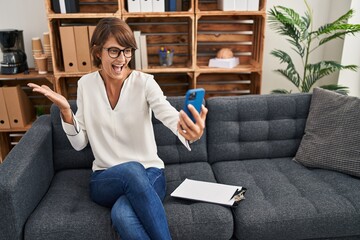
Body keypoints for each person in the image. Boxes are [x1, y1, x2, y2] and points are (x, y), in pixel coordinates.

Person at [28, 17, 207, 240]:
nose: (122, 59)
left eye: (127, 51)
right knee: (130, 169)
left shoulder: (145, 83)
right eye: (114, 51)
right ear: (97, 52)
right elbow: (79, 143)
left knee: (122, 214)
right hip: (105, 177)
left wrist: (187, 130)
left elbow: (167, 113)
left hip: (150, 173)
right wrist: (66, 111)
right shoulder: (86, 85)